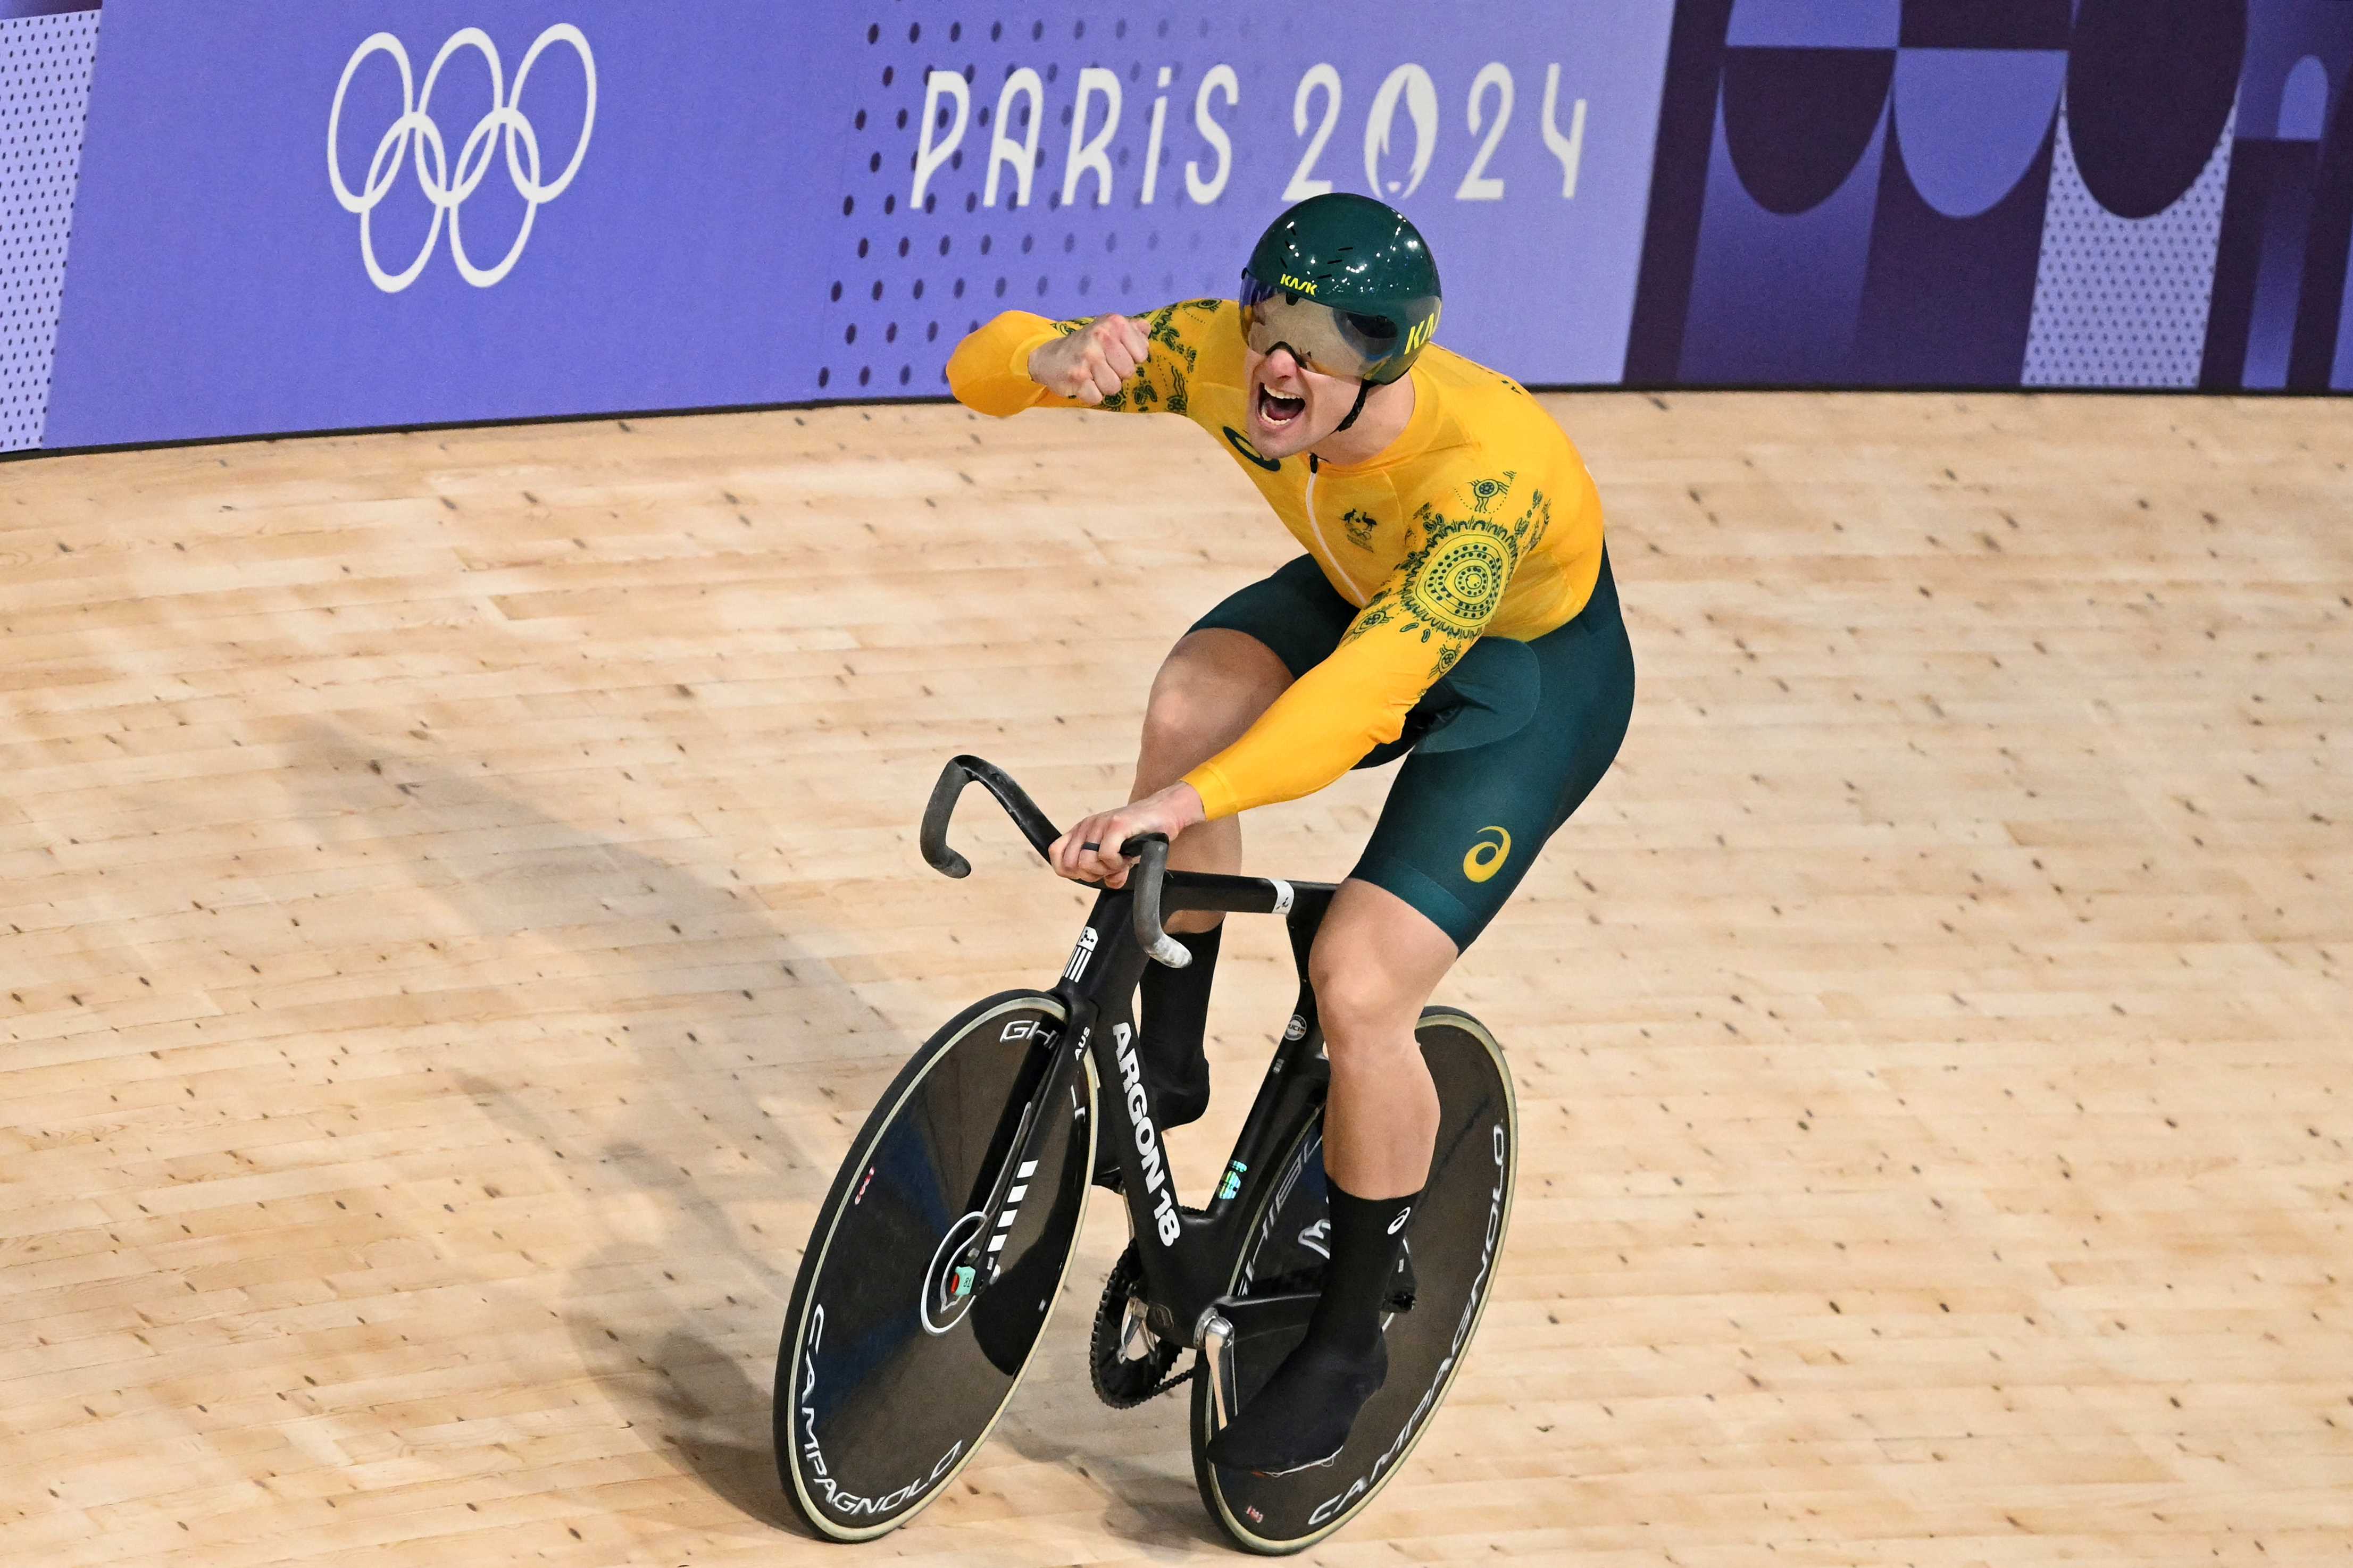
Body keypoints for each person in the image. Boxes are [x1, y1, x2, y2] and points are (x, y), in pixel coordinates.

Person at [945, 193, 1636, 1475]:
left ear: (1386, 354)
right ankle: (1172, 1048)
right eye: (1271, 322)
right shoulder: (1219, 355)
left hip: (1520, 679)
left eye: (1317, 345)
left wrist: (1178, 807)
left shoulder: (1485, 479)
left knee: (1360, 983)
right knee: (1188, 703)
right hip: (1361, 584)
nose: (1277, 363)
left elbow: (1363, 698)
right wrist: (1041, 361)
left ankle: (1350, 1328)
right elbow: (973, 372)